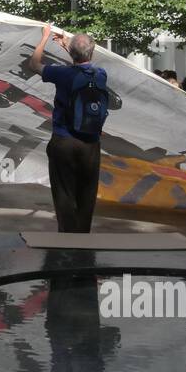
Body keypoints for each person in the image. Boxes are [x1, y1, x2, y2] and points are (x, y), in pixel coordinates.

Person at [28, 25, 108, 234]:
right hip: (91, 144)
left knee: (64, 192)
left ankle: (67, 238)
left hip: (64, 141)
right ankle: (83, 237)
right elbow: (83, 64)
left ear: (72, 53)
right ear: (93, 51)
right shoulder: (100, 75)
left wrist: (45, 38)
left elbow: (34, 64)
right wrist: (68, 46)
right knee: (87, 194)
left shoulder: (62, 73)